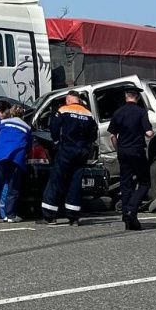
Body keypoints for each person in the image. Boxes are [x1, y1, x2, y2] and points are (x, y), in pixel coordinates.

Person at [41, 90, 98, 225]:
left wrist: (56, 141)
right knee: (76, 182)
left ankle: (50, 214)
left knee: (57, 180)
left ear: (68, 99)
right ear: (78, 100)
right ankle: (73, 216)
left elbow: (54, 127)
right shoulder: (88, 114)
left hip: (66, 150)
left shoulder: (63, 110)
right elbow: (94, 134)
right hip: (81, 152)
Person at [107, 86, 155, 231]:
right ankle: (131, 210)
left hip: (123, 152)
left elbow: (112, 136)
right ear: (138, 97)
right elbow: (148, 133)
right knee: (144, 182)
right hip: (137, 152)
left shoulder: (118, 112)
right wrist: (152, 132)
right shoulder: (141, 112)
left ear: (126, 96)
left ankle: (127, 217)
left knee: (126, 183)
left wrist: (118, 149)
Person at [0, 104, 32, 223]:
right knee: (13, 188)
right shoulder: (27, 128)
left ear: (11, 113)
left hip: (0, 156)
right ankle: (10, 215)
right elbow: (29, 146)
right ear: (23, 115)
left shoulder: (3, 123)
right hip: (16, 158)